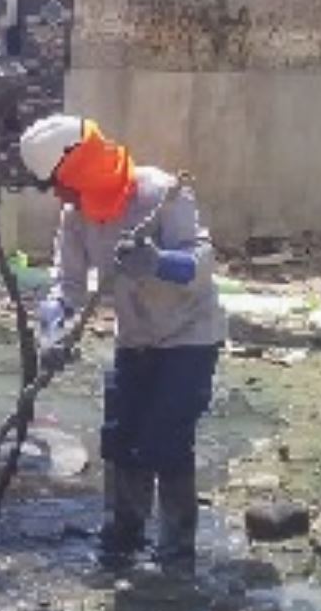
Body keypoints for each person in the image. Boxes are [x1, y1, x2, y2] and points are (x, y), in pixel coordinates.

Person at [18, 114, 226, 565]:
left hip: (188, 336)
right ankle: (123, 535)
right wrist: (54, 330)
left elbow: (201, 262)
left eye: (59, 183)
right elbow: (66, 288)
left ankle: (175, 551)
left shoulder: (158, 193)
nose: (58, 194)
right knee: (121, 436)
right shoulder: (77, 218)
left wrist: (157, 262)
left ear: (79, 169)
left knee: (166, 440)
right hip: (135, 338)